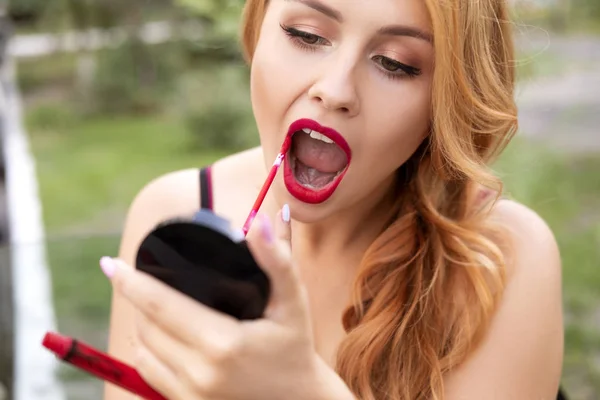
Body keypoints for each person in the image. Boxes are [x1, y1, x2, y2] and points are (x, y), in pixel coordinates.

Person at [102, 0, 565, 399]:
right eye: (305, 35)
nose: (336, 90)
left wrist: (301, 389)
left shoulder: (502, 262)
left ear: (446, 98)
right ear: (259, 24)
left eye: (396, 63)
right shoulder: (171, 217)